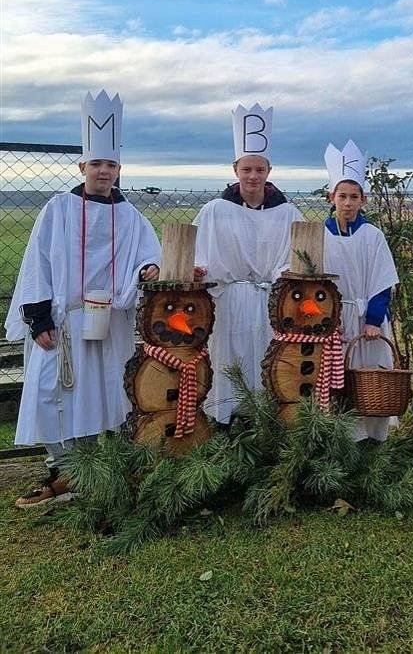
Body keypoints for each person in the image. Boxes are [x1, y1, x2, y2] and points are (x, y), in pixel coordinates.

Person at [6, 91, 160, 508]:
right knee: (50, 391)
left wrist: (148, 270)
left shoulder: (132, 216)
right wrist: (39, 317)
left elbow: (150, 255)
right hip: (62, 323)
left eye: (110, 164)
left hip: (109, 322)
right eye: (96, 164)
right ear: (82, 167)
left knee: (102, 393)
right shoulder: (57, 209)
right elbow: (37, 260)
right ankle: (62, 470)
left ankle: (92, 471)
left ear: (119, 169)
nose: (104, 171)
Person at [193, 103, 302, 424]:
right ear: (235, 169)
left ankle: (265, 427)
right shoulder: (215, 211)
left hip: (271, 302)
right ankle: (224, 425)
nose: (253, 176)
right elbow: (200, 256)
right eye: (246, 169)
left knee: (267, 365)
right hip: (227, 303)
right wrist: (199, 271)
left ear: (269, 171)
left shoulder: (288, 214)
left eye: (259, 169)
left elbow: (297, 259)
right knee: (228, 363)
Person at [323, 140, 399, 441]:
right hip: (336, 324)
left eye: (354, 196)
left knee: (372, 379)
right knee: (339, 383)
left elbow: (383, 282)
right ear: (332, 197)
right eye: (343, 196)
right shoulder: (320, 236)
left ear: (363, 200)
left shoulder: (373, 236)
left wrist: (372, 320)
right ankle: (343, 439)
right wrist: (329, 317)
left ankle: (373, 439)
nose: (348, 203)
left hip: (368, 321)